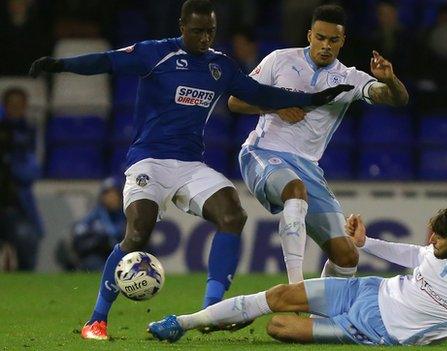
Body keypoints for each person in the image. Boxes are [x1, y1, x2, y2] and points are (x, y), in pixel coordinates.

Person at [29, 0, 352, 341]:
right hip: (149, 161)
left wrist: (316, 99)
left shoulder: (219, 66)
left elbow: (261, 93)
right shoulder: (155, 53)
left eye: (210, 32)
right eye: (197, 31)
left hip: (189, 166)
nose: (204, 39)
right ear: (182, 26)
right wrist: (60, 64)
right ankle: (96, 320)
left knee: (232, 214)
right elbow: (106, 61)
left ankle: (210, 309)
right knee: (138, 232)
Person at [147, 205, 447, 349]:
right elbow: (415, 253)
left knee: (279, 326)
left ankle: (236, 315)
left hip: (373, 328)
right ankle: (182, 323)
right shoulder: (437, 250)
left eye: (440, 240)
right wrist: (366, 243)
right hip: (367, 289)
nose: (431, 242)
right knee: (279, 294)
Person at [230, 4, 409, 286]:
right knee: (294, 190)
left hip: (308, 167)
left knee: (347, 256)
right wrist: (276, 108)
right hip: (263, 153)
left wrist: (390, 80)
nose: (326, 46)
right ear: (310, 35)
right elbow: (235, 101)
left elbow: (396, 99)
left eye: (333, 40)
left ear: (342, 41)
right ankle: (295, 287)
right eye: (320, 38)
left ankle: (322, 318)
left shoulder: (350, 79)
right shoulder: (279, 60)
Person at [0, 87, 43, 271]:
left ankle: (26, 283)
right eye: (12, 105)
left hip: (16, 205)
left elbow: (30, 173)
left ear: (25, 106)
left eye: (20, 105)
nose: (16, 109)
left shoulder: (28, 132)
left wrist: (10, 161)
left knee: (27, 239)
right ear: (5, 106)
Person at [57, 177, 125, 271]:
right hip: (98, 256)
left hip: (122, 257)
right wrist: (98, 239)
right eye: (108, 194)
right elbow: (78, 237)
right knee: (95, 264)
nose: (112, 198)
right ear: (102, 197)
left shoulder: (126, 216)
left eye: (115, 194)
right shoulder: (93, 217)